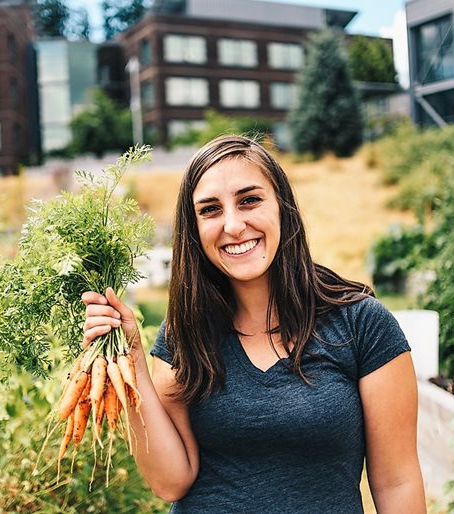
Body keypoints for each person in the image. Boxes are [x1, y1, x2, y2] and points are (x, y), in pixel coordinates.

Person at [81, 135, 426, 513]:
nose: (233, 225)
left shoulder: (361, 324)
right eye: (210, 210)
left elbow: (398, 482)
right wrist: (128, 365)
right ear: (194, 230)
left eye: (249, 200)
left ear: (282, 207)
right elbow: (170, 481)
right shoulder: (185, 334)